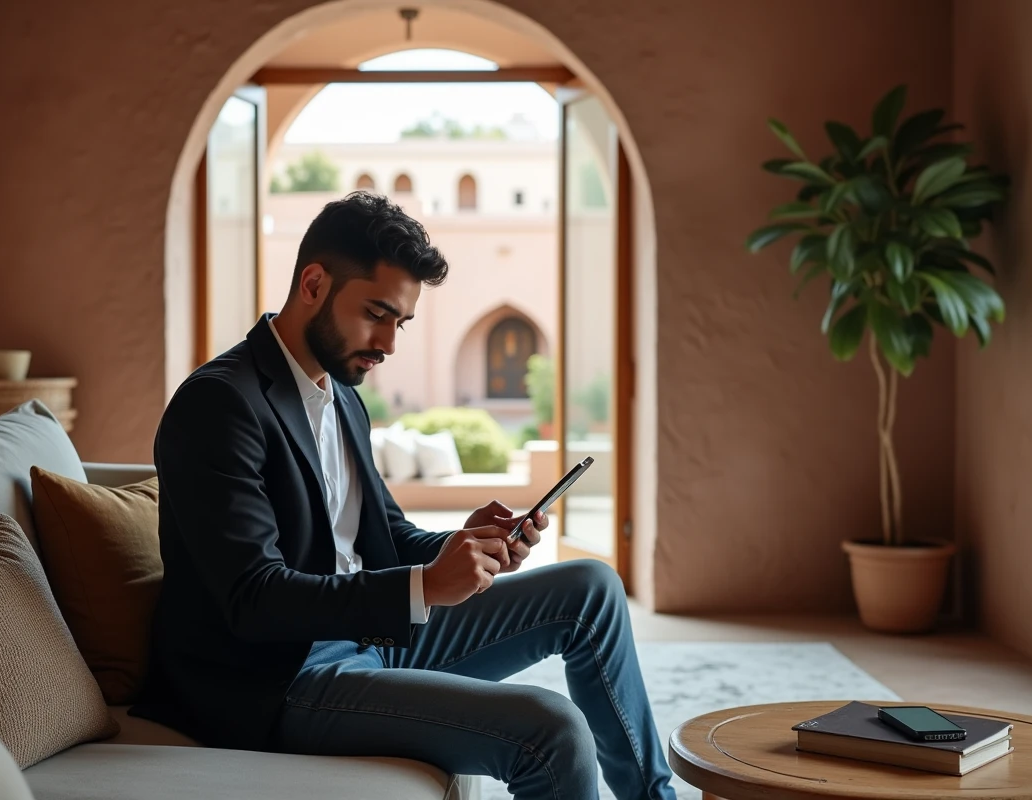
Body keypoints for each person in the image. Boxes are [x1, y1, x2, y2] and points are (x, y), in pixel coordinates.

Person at [133, 192, 677, 800]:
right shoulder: (220, 404)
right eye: (377, 313)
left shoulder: (340, 397)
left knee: (591, 591)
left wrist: (465, 546)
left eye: (402, 322)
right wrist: (423, 586)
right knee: (551, 730)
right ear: (313, 283)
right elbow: (252, 598)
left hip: (371, 639)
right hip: (278, 678)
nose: (389, 343)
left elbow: (387, 537)